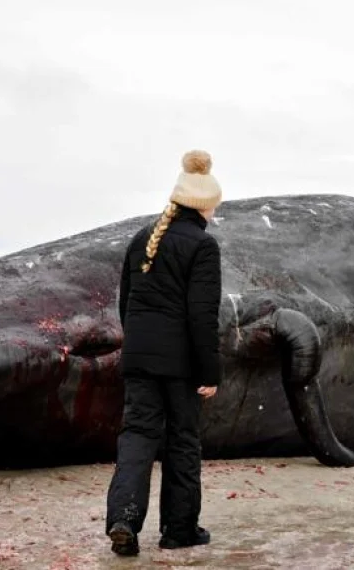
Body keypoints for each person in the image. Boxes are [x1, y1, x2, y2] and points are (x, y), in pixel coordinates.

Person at [105, 150, 223, 557]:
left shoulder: (143, 239)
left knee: (137, 437)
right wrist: (210, 372)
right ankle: (179, 529)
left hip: (139, 359)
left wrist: (139, 347)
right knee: (182, 440)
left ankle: (124, 519)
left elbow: (126, 303)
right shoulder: (203, 246)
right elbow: (202, 316)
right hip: (181, 364)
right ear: (204, 204)